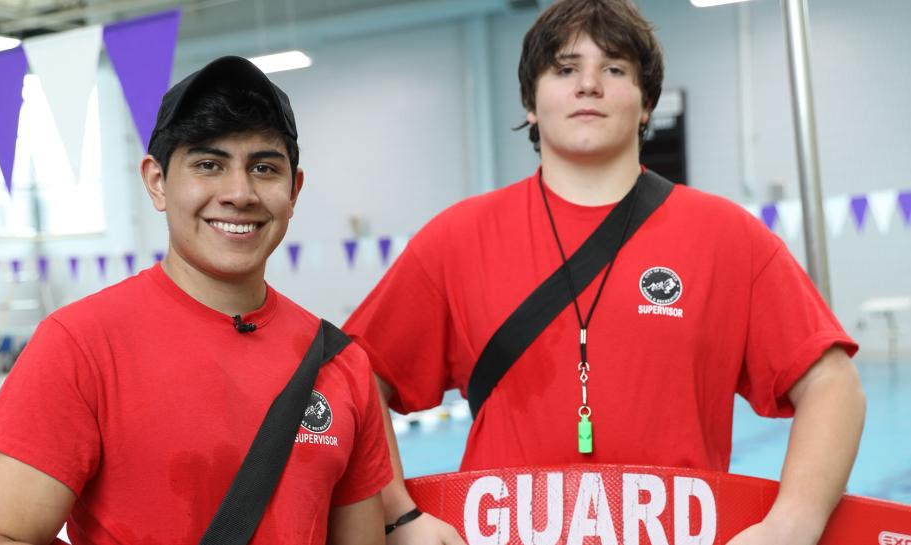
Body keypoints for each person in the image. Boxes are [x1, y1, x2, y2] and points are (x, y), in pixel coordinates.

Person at [343, 1, 865, 544]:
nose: (588, 84)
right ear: (530, 102)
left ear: (645, 106)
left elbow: (833, 384)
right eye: (565, 69)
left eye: (614, 69)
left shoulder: (728, 238)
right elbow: (352, 379)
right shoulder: (456, 239)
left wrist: (791, 525)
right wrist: (398, 515)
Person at [0, 56, 392, 545]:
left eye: (264, 168)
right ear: (157, 182)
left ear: (294, 190)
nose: (240, 193)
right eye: (209, 164)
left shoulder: (340, 363)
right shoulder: (81, 345)